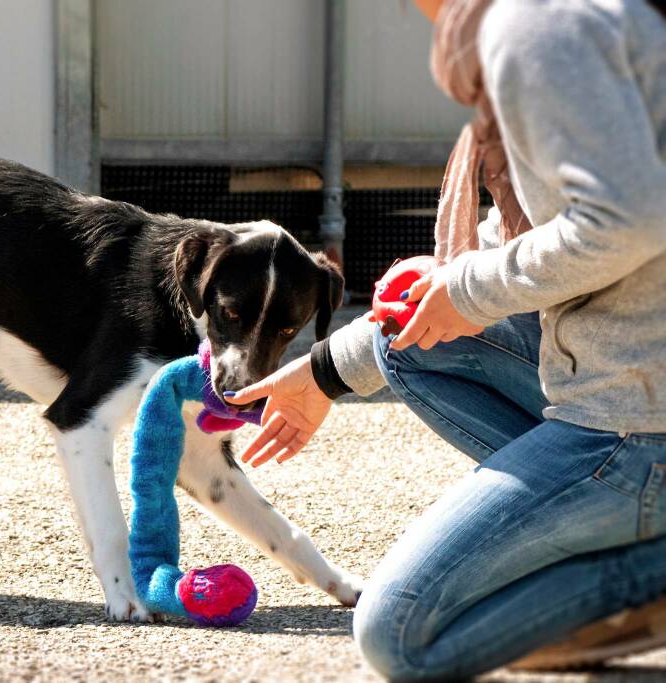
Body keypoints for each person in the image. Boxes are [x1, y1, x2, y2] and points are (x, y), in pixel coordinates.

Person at [225, 0, 666, 678]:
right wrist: (325, 371)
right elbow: (556, 213)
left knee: (398, 633)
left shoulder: (539, 27)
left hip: (640, 428)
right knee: (419, 344)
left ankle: (645, 561)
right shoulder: (562, 16)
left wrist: (466, 289)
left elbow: (626, 220)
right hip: (639, 385)